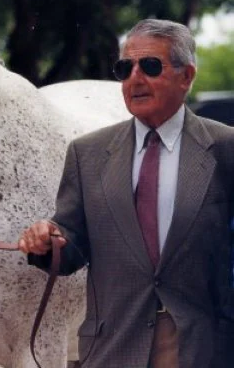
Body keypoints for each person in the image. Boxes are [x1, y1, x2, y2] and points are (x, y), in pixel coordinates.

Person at [19, 19, 234, 368]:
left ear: (187, 76)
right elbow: (72, 241)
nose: (135, 78)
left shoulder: (226, 149)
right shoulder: (86, 153)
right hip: (112, 346)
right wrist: (50, 241)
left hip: (200, 347)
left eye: (150, 66)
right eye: (125, 67)